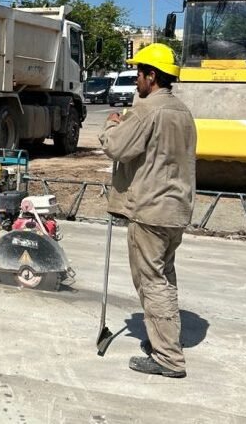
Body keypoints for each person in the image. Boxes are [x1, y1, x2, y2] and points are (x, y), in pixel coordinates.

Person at [99, 43, 197, 379]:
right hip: (175, 209)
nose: (136, 79)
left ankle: (168, 357)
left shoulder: (147, 110)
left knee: (151, 282)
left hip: (150, 211)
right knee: (165, 278)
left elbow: (118, 148)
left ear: (151, 76)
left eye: (139, 73)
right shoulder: (182, 111)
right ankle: (164, 340)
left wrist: (112, 124)